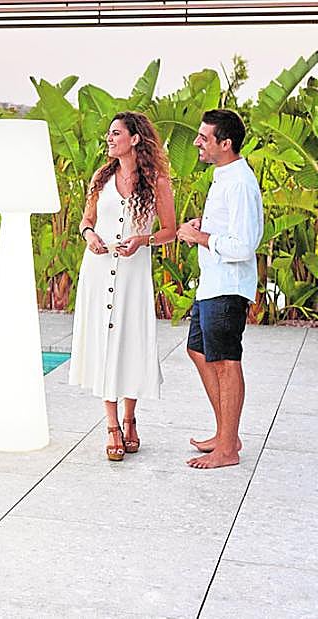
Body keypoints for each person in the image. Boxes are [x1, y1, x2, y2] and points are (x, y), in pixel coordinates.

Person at [69, 111, 176, 461]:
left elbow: (169, 231)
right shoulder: (101, 178)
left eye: (116, 133)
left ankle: (130, 418)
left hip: (133, 274)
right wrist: (89, 235)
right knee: (104, 341)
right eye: (109, 134)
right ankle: (112, 425)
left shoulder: (157, 181)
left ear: (135, 138)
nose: (110, 138)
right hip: (98, 270)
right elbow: (86, 220)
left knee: (130, 341)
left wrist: (143, 240)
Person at [177, 109, 263, 469]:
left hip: (228, 287)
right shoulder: (223, 176)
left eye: (204, 137)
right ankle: (227, 433)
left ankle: (227, 449)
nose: (197, 141)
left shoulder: (239, 182)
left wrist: (200, 237)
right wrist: (204, 225)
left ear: (225, 143)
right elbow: (229, 227)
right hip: (211, 284)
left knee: (226, 363)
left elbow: (244, 245)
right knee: (197, 350)